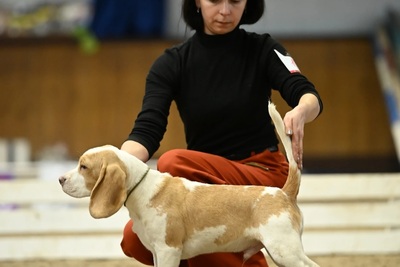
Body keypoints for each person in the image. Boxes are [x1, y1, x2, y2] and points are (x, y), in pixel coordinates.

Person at [120, 0, 323, 266]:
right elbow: (147, 129)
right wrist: (118, 164)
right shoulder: (172, 63)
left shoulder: (264, 48)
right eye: (215, 0)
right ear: (197, 1)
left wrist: (301, 111)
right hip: (205, 183)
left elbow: (307, 93)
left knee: (173, 163)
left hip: (260, 174)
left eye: (235, 1)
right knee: (135, 237)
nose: (226, 11)